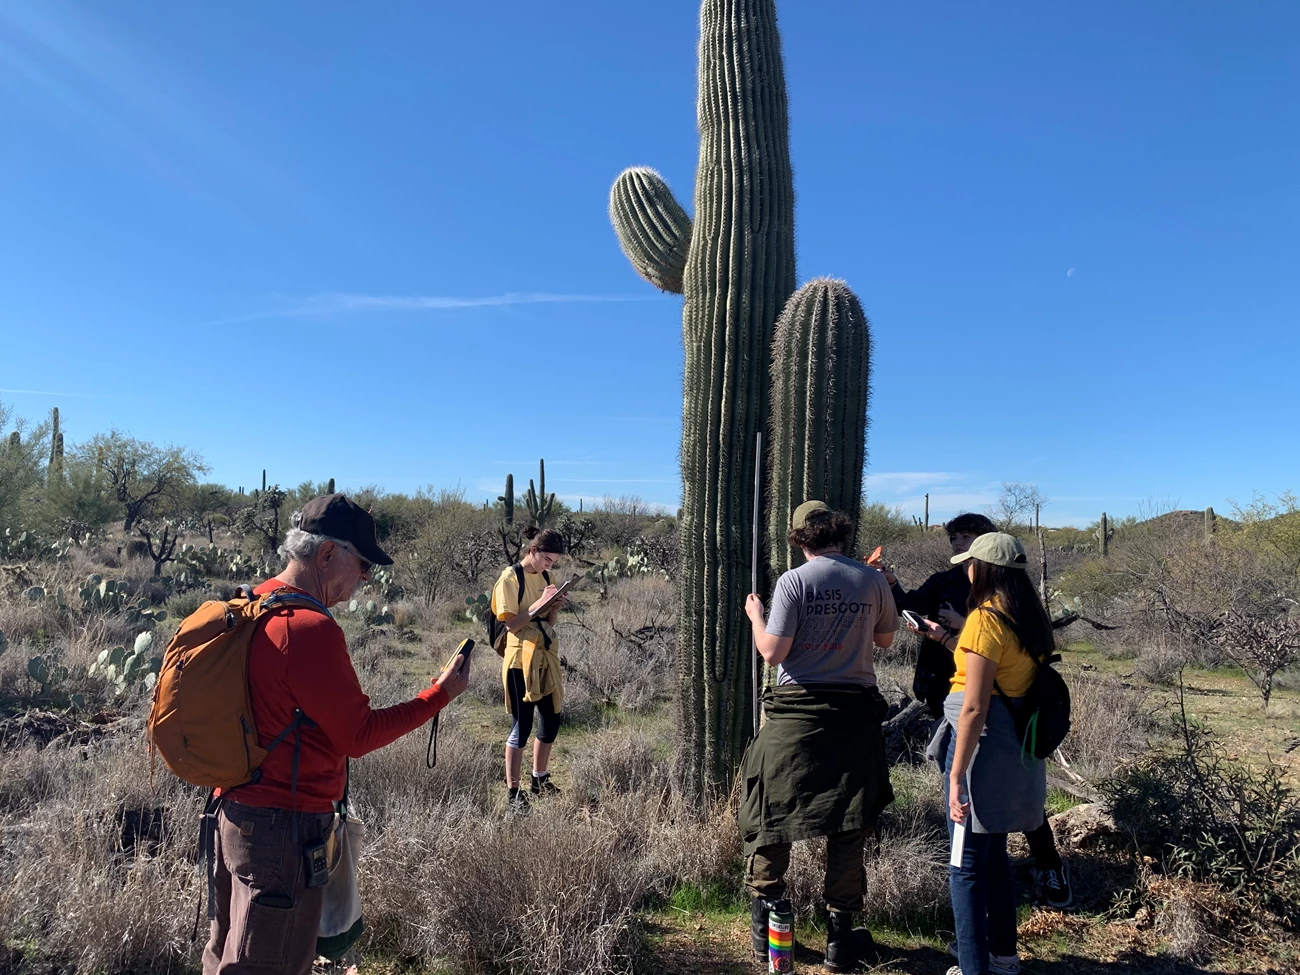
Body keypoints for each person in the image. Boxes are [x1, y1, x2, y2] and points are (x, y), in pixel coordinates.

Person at [203, 493, 470, 975]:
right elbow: (358, 735)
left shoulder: (252, 602)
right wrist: (439, 694)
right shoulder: (308, 629)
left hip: (232, 815)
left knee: (228, 953)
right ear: (327, 555)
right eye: (363, 563)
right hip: (282, 830)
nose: (367, 577)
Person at [740, 501, 898, 973]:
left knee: (771, 814)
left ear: (798, 538)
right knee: (850, 822)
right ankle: (839, 940)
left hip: (797, 716)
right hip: (854, 716)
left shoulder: (793, 582)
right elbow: (886, 640)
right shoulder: (871, 580)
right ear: (839, 532)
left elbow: (772, 652)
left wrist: (755, 615)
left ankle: (768, 930)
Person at [885, 515, 1072, 908]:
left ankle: (1038, 869)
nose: (958, 546)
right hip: (959, 701)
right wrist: (931, 624)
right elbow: (913, 606)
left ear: (987, 549)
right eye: (954, 538)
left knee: (984, 805)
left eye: (966, 539)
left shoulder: (1002, 604)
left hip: (994, 715)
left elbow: (988, 667)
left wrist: (964, 624)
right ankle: (994, 880)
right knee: (985, 805)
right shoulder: (954, 582)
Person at [911, 533, 1051, 975]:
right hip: (1015, 750)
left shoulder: (984, 619)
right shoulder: (1027, 617)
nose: (964, 569)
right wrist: (944, 639)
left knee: (964, 865)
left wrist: (955, 777)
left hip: (980, 751)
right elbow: (995, 669)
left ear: (984, 569)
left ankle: (972, 967)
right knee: (994, 859)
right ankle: (1003, 957)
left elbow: (973, 705)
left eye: (969, 562)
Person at [492, 527, 568, 812]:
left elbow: (549, 621)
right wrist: (539, 604)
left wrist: (555, 606)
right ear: (533, 551)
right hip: (518, 660)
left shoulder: (547, 577)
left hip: (544, 654)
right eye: (547, 559)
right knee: (521, 725)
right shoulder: (510, 578)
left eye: (554, 562)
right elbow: (510, 624)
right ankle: (513, 793)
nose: (550, 566)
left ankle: (539, 778)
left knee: (552, 717)